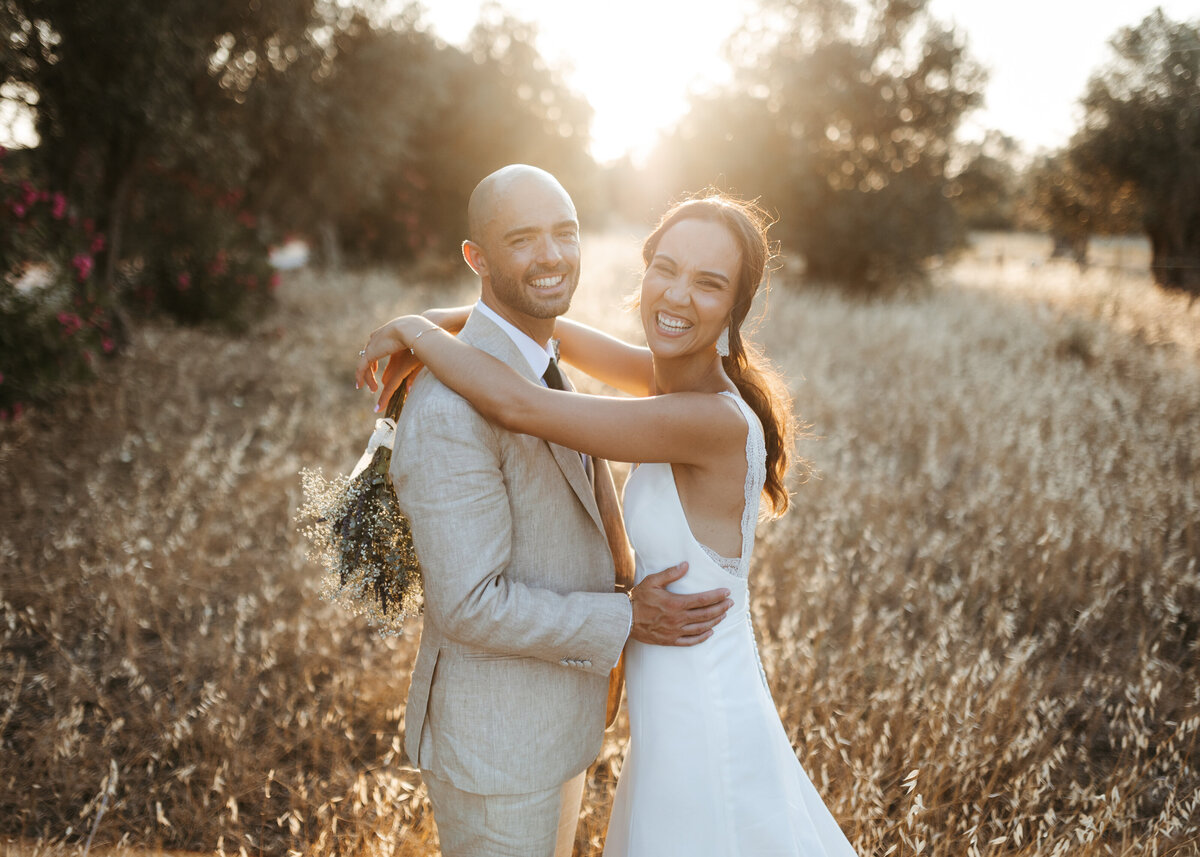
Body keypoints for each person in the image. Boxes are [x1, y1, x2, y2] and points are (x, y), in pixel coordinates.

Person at [357, 187, 859, 855]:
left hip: (699, 710)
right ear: (644, 270)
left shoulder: (708, 418)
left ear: (736, 308)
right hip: (668, 711)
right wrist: (449, 316)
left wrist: (412, 332)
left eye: (709, 284)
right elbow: (543, 329)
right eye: (665, 268)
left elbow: (520, 406)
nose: (677, 296)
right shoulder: (672, 380)